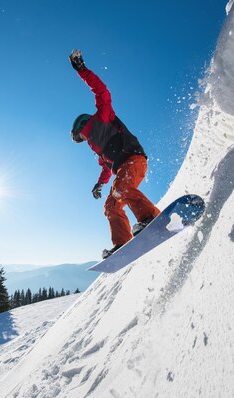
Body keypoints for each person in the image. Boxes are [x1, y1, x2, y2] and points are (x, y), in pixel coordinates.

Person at [69, 49, 161, 259]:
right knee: (111, 205)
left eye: (79, 138)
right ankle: (123, 243)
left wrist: (82, 70)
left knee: (120, 189)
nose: (82, 141)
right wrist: (99, 185)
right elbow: (105, 168)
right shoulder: (97, 148)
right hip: (121, 168)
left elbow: (101, 92)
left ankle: (150, 218)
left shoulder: (102, 117)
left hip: (134, 159)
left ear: (80, 128)